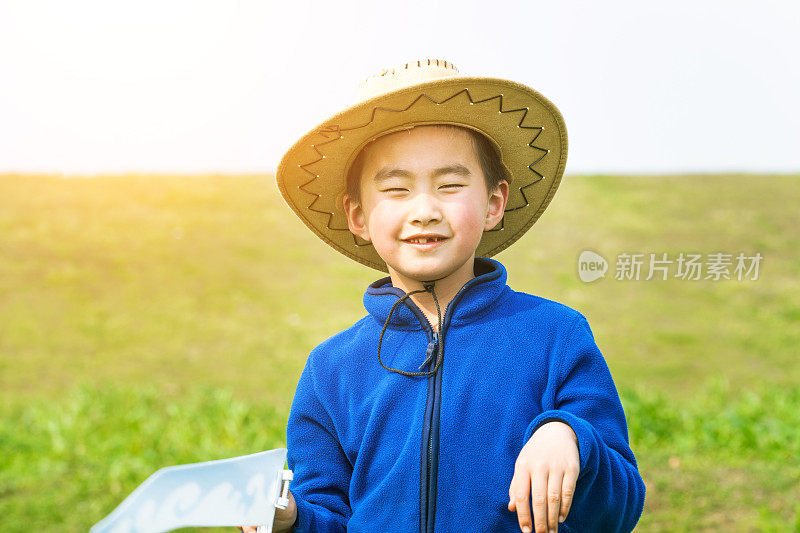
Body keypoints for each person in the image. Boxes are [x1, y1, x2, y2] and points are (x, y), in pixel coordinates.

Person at [242, 59, 645, 533]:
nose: (425, 210)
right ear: (358, 217)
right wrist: (291, 520)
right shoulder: (331, 367)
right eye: (396, 189)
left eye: (450, 186)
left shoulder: (555, 335)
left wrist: (572, 437)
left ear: (494, 203)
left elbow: (619, 509)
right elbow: (327, 515)